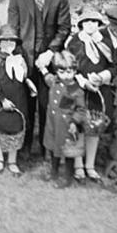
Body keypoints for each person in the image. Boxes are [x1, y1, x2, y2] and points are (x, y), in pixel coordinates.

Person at [8, 0, 71, 156]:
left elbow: (64, 28)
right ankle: (24, 146)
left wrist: (51, 51)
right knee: (25, 103)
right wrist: (16, 54)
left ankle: (47, 147)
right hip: (24, 58)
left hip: (49, 61)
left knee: (48, 103)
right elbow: (12, 29)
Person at [65, 9, 115, 181]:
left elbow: (114, 66)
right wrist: (82, 81)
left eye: (94, 22)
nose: (90, 25)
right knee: (78, 125)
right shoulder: (74, 42)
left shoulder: (106, 42)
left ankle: (90, 165)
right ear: (81, 24)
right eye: (86, 22)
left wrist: (102, 77)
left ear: (99, 24)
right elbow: (68, 65)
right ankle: (78, 165)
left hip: (99, 90)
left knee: (94, 127)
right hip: (78, 89)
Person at [0, 25, 33, 175]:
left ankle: (12, 160)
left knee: (16, 128)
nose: (8, 45)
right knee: (0, 127)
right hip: (1, 101)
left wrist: (24, 68)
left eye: (11, 42)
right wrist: (2, 99)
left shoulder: (19, 59)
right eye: (4, 42)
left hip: (18, 99)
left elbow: (24, 77)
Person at [42, 50, 88, 186]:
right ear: (57, 72)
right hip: (52, 124)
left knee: (69, 152)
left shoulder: (75, 89)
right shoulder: (54, 81)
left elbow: (81, 109)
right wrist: (42, 68)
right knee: (53, 148)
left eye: (70, 72)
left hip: (67, 126)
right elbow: (47, 76)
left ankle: (68, 177)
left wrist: (74, 121)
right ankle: (54, 171)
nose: (66, 76)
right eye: (62, 72)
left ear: (75, 71)